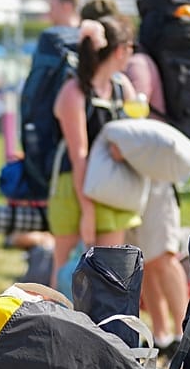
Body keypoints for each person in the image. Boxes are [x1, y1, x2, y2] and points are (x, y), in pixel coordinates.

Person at [49, 15, 141, 286]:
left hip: (110, 187)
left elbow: (135, 137)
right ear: (119, 50)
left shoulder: (121, 87)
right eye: (130, 48)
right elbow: (79, 156)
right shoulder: (73, 92)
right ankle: (57, 327)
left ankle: (100, 329)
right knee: (65, 272)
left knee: (109, 273)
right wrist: (87, 211)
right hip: (73, 186)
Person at [124, 33, 190, 357]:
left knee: (163, 256)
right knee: (145, 259)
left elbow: (136, 110)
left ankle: (185, 332)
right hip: (140, 171)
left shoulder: (136, 64)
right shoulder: (141, 61)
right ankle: (163, 334)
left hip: (153, 171)